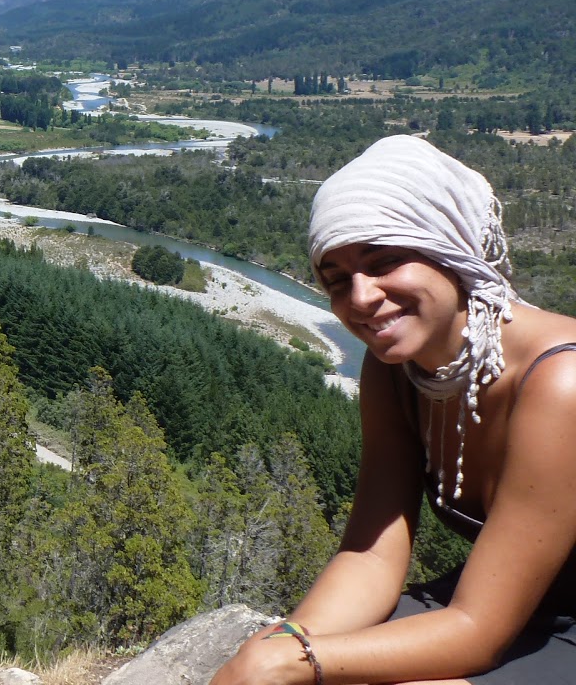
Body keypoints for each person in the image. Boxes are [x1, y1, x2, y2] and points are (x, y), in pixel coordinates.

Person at [211, 134, 576, 685]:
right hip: (505, 607)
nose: (361, 298)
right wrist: (282, 646)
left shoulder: (560, 381)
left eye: (385, 262)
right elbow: (370, 556)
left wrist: (293, 663)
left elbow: (479, 630)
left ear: (450, 249)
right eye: (337, 280)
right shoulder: (395, 370)